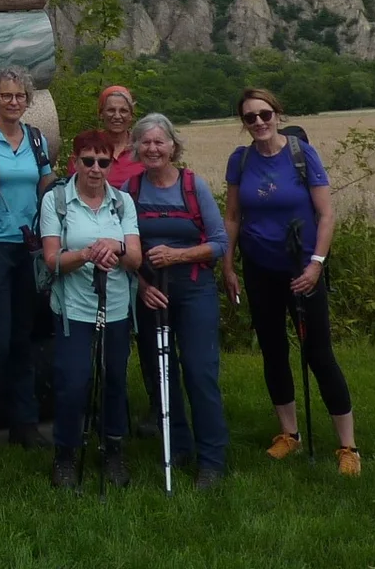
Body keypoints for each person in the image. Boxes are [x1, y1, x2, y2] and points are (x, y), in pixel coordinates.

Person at [222, 87, 359, 474]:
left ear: (277, 114)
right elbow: (232, 216)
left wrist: (316, 264)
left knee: (318, 352)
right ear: (244, 122)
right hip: (259, 267)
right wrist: (228, 265)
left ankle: (347, 445)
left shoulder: (302, 154)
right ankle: (289, 434)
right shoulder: (241, 159)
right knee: (273, 349)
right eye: (250, 117)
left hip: (302, 270)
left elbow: (327, 215)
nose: (259, 123)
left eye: (265, 114)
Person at [128, 112, 230, 487]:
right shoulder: (130, 191)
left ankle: (212, 459)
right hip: (150, 292)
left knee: (201, 372)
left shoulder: (193, 186)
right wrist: (140, 285)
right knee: (161, 374)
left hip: (194, 290)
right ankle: (178, 446)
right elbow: (125, 245)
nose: (153, 148)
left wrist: (177, 255)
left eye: (160, 142)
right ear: (136, 147)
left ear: (173, 146)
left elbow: (219, 243)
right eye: (146, 142)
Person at [40, 128, 141, 488]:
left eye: (103, 161)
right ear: (75, 162)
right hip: (73, 309)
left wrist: (114, 246)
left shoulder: (122, 202)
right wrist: (85, 254)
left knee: (114, 380)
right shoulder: (56, 201)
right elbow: (51, 260)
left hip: (115, 307)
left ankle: (112, 450)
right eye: (88, 161)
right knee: (73, 382)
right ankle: (65, 454)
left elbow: (136, 258)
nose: (96, 168)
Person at [0, 66, 55, 446]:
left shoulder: (36, 139)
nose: (14, 101)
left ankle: (25, 423)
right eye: (6, 95)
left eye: (20, 96)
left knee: (23, 336)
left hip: (29, 247)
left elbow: (46, 183)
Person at [73, 84, 140, 188]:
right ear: (101, 114)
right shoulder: (86, 146)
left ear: (131, 116)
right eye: (111, 110)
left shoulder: (142, 148)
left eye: (123, 111)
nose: (117, 116)